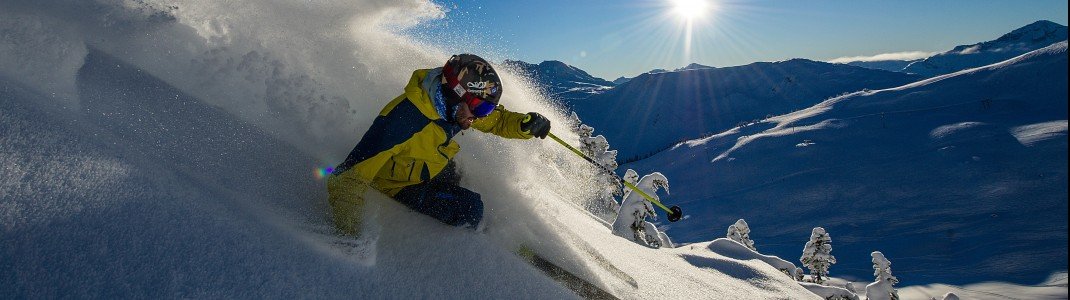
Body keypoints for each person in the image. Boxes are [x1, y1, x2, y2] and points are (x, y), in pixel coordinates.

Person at [326, 54, 551, 236]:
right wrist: (349, 236)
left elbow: (498, 121)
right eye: (480, 108)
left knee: (461, 173)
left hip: (424, 163)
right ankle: (486, 242)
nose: (479, 117)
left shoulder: (453, 109)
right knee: (471, 207)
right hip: (398, 183)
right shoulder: (403, 122)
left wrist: (524, 126)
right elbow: (347, 179)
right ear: (457, 93)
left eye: (486, 109)